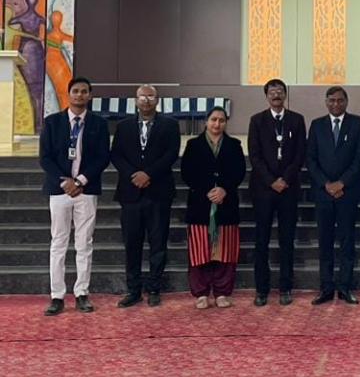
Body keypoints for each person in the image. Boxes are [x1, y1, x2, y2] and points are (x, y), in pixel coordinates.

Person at [40, 76, 110, 315]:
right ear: (68, 94)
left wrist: (80, 181)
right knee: (58, 242)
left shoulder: (99, 123)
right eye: (76, 91)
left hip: (86, 190)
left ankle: (82, 293)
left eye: (84, 91)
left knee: (84, 243)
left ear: (90, 95)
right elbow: (45, 158)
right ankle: (57, 296)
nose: (80, 95)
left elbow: (103, 157)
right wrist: (65, 182)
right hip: (59, 190)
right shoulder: (52, 122)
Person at [112, 85, 181, 307]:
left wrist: (148, 174)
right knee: (132, 244)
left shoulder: (170, 125)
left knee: (158, 244)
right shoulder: (123, 126)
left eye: (150, 96)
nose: (146, 100)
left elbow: (171, 153)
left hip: (158, 192)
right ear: (135, 100)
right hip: (130, 193)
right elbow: (116, 155)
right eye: (142, 96)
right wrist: (134, 175)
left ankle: (154, 288)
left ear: (157, 100)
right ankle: (133, 290)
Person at [306, 86, 360, 305]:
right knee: (324, 242)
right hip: (323, 193)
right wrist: (326, 184)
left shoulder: (358, 123)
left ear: (346, 102)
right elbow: (310, 159)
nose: (336, 104)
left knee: (347, 241)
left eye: (340, 100)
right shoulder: (316, 125)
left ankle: (344, 287)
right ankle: (326, 288)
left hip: (347, 192)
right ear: (326, 102)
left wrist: (342, 183)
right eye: (332, 100)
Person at [248, 78, 306, 306]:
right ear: (266, 96)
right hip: (263, 190)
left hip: (288, 189)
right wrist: (271, 181)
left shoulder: (297, 120)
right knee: (261, 241)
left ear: (285, 95)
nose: (276, 95)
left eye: (280, 91)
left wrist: (285, 179)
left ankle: (285, 287)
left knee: (287, 240)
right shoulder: (257, 120)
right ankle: (261, 289)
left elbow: (300, 154)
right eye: (272, 92)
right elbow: (254, 156)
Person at [180, 107, 246, 309]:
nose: (217, 124)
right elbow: (186, 173)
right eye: (213, 120)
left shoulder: (234, 145)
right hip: (200, 205)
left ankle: (222, 292)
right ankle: (201, 293)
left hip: (226, 205)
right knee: (200, 251)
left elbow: (240, 172)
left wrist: (224, 189)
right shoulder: (193, 145)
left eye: (221, 120)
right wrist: (206, 191)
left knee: (225, 251)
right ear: (206, 121)